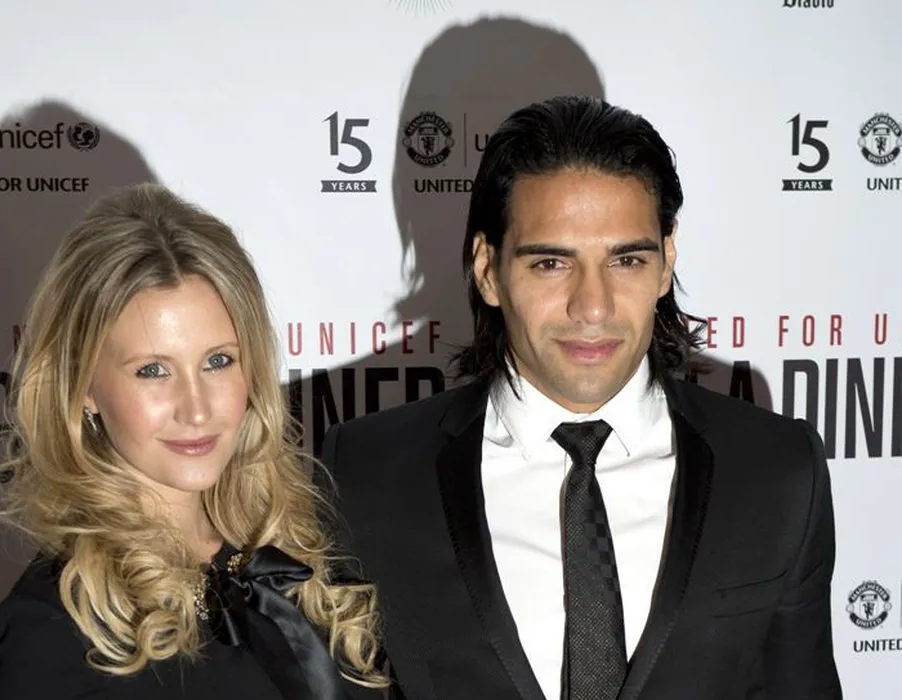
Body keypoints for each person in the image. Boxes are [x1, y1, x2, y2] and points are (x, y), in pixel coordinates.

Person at [318, 95, 843, 700]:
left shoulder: (777, 469)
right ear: (488, 269)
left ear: (666, 262)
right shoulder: (366, 474)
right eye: (551, 263)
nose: (592, 307)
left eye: (626, 260)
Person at [0, 183, 393, 700]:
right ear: (83, 387)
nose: (197, 409)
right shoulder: (50, 632)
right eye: (153, 370)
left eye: (218, 361)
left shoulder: (296, 561)